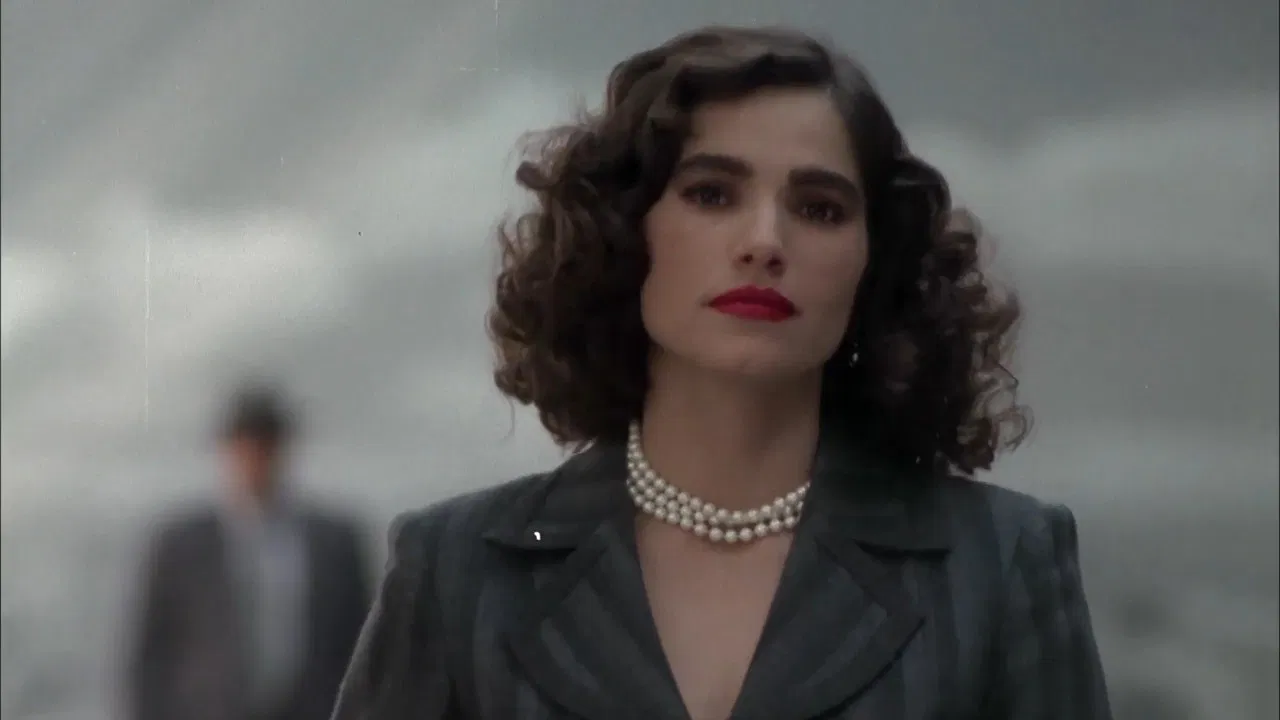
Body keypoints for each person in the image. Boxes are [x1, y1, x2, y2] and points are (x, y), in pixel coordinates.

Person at [332, 25, 1112, 720]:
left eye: (819, 208)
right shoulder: (458, 569)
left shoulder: (1001, 561)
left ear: (874, 263)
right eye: (711, 194)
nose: (765, 241)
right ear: (623, 232)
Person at [127, 384, 372, 720]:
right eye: (246, 445)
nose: (256, 458)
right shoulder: (180, 545)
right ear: (227, 450)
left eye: (266, 445)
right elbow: (149, 656)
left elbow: (363, 647)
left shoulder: (334, 543)